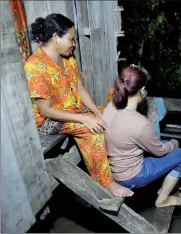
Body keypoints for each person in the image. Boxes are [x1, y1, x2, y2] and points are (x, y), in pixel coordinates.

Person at [24, 13, 133, 197]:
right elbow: (45, 110)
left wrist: (96, 112)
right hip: (48, 121)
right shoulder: (35, 67)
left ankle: (117, 164)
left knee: (107, 115)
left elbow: (80, 89)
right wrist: (85, 118)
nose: (74, 44)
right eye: (71, 39)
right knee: (92, 129)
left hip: (72, 109)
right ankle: (106, 184)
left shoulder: (68, 58)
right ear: (55, 37)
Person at [103, 65, 181, 207]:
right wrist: (174, 143)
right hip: (132, 177)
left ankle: (165, 184)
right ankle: (162, 199)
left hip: (114, 168)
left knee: (164, 143)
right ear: (142, 91)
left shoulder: (110, 107)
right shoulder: (140, 123)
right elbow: (159, 151)